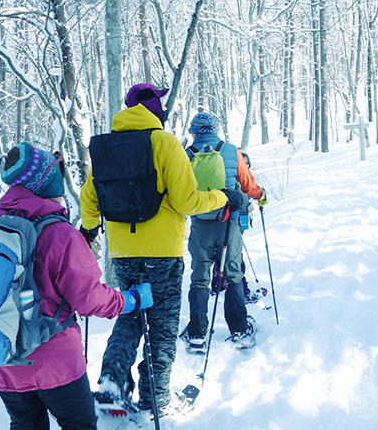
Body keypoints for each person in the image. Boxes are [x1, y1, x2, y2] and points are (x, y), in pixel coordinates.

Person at [0, 142, 152, 430]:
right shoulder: (60, 233)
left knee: (25, 425)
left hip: (3, 356)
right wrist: (130, 300)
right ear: (45, 182)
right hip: (56, 365)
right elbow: (90, 300)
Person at [79, 84, 236, 415]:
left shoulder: (105, 147)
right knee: (162, 327)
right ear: (154, 109)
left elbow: (89, 199)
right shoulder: (165, 143)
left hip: (122, 252)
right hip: (163, 252)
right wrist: (223, 196)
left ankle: (112, 384)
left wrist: (90, 228)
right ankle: (156, 400)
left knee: (130, 313)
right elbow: (186, 201)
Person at [181, 112, 268, 352]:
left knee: (199, 278)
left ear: (194, 132)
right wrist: (260, 196)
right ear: (215, 130)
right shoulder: (230, 150)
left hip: (200, 224)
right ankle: (239, 330)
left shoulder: (186, 154)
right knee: (233, 276)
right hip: (228, 223)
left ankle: (197, 333)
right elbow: (247, 182)